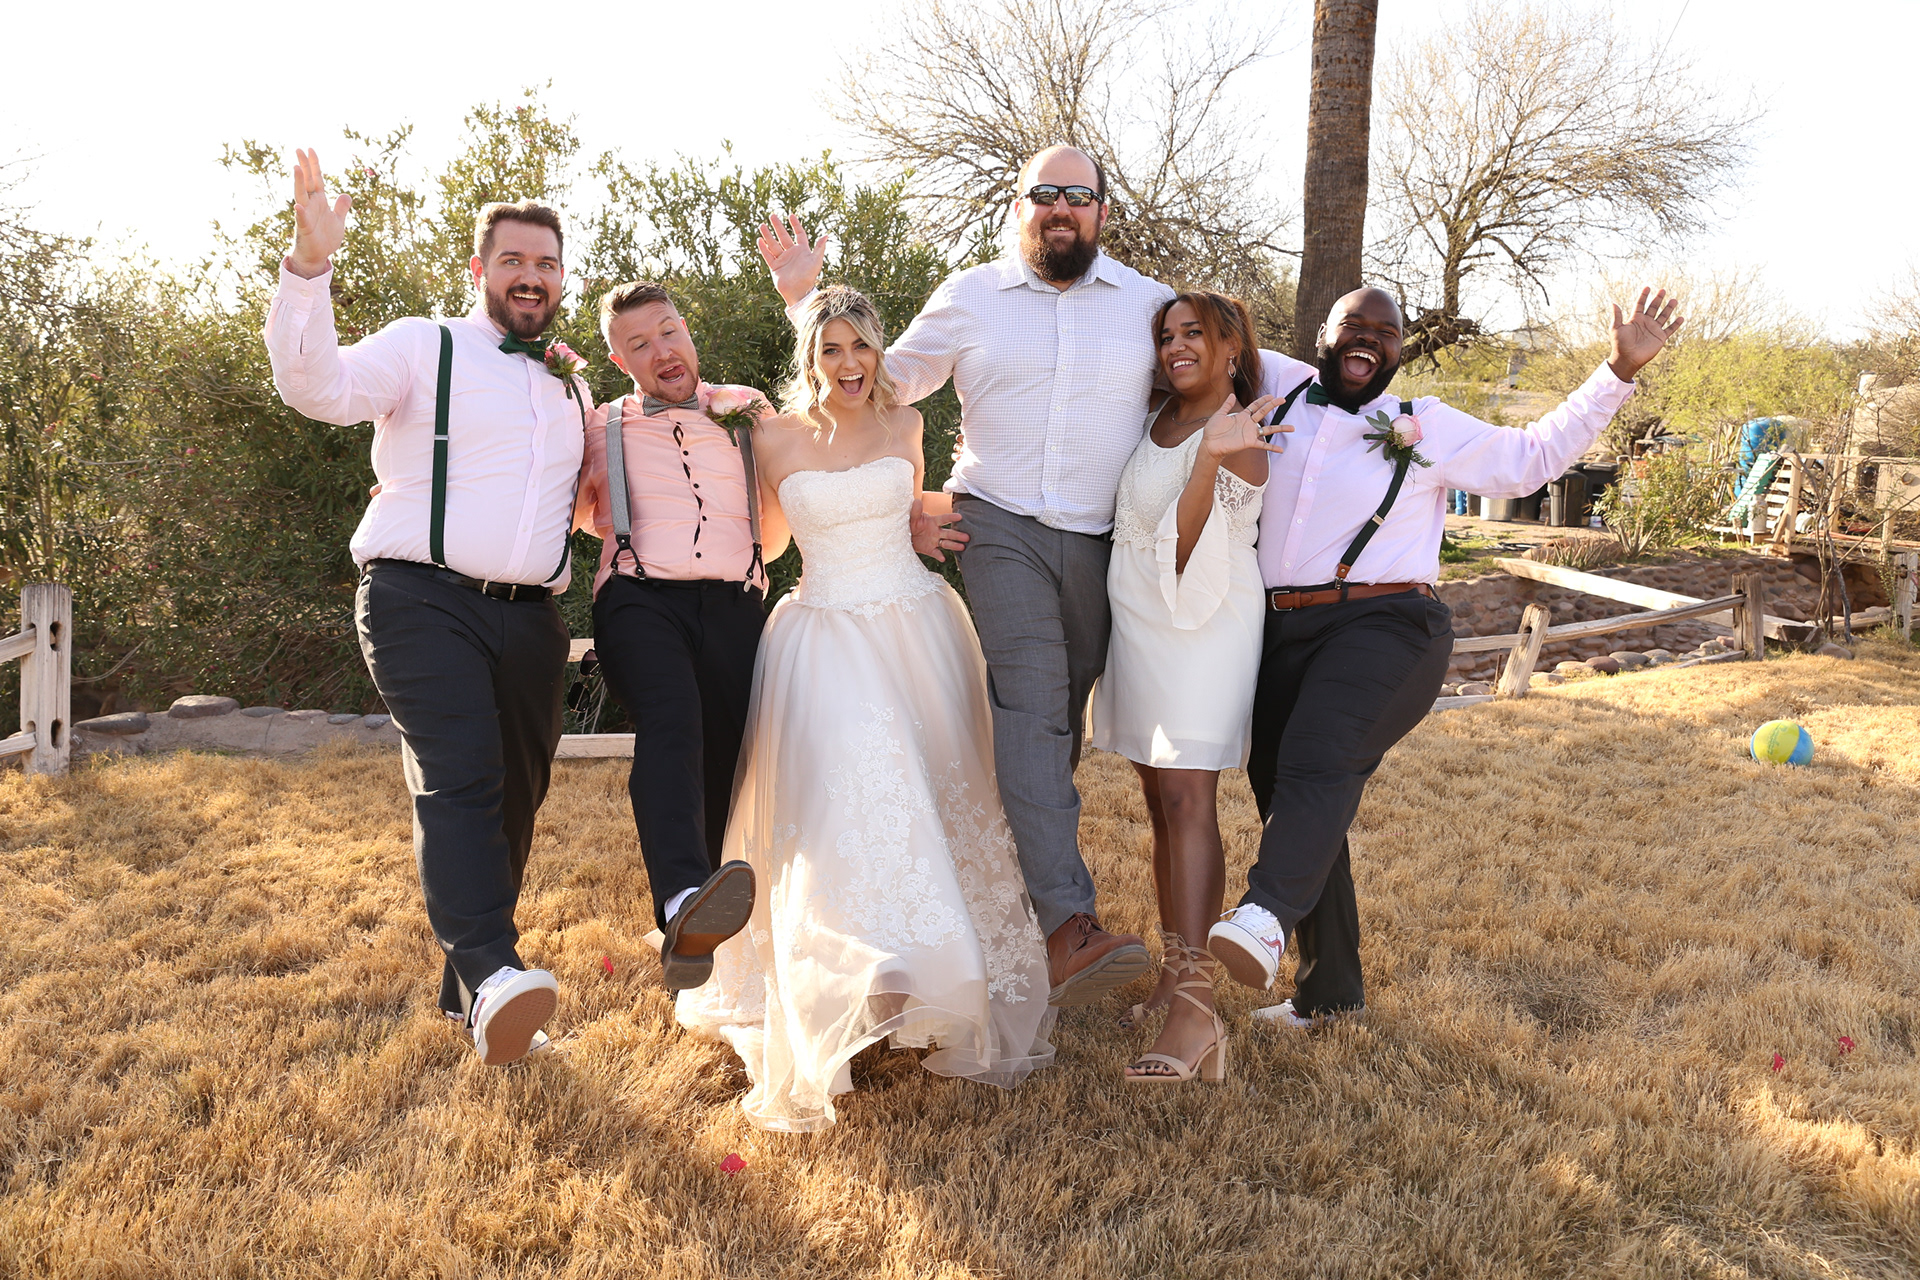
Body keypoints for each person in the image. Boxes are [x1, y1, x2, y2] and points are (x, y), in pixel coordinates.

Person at [756, 146, 1298, 1008]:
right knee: (1034, 707)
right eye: (1043, 193)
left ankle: (1024, 902)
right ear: (1019, 208)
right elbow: (882, 379)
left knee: (1055, 725)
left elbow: (1203, 365)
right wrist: (804, 302)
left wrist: (1345, 407)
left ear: (1102, 212)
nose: (1060, 207)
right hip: (998, 524)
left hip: (1100, 544)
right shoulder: (970, 295)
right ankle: (1067, 923)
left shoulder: (1146, 305)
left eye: (1077, 195)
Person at [1205, 285, 1684, 1024]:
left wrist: (1617, 371)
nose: (1369, 339)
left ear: (1401, 350)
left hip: (1386, 625)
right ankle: (1330, 996)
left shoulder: (1424, 423)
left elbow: (1531, 459)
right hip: (1281, 630)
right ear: (1322, 334)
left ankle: (1264, 916)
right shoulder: (1276, 380)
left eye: (1387, 333)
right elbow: (1203, 338)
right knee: (1287, 794)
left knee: (1316, 761)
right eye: (1353, 326)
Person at [675, 286, 1055, 1131]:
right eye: (832, 349)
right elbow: (770, 540)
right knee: (841, 804)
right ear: (810, 357)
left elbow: (912, 510)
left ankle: (929, 977)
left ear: (880, 351)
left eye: (861, 347)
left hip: (917, 626)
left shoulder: (906, 425)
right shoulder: (771, 437)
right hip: (822, 634)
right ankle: (845, 980)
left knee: (938, 799)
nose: (849, 364)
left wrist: (923, 527)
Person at [263, 150, 588, 1065]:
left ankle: (469, 1000)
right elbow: (316, 387)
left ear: (562, 278)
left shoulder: (570, 383)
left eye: (546, 262)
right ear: (480, 269)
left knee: (516, 795)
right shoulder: (423, 344)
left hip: (533, 619)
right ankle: (492, 969)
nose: (531, 276)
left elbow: (585, 497)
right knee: (463, 776)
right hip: (421, 599)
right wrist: (309, 266)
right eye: (513, 260)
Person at [1088, 292, 1284, 1083]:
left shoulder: (1239, 436)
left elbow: (1187, 543)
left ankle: (1197, 1008)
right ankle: (1175, 973)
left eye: (1193, 333)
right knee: (1158, 799)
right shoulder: (1159, 414)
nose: (1175, 345)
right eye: (1166, 334)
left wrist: (1208, 457)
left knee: (1187, 799)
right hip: (1142, 623)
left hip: (1203, 626)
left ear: (1231, 346)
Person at [573, 281, 791, 992]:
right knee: (672, 722)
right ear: (619, 360)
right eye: (639, 344)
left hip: (735, 599)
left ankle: (699, 933)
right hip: (639, 596)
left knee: (728, 755)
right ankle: (678, 898)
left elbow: (800, 481)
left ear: (688, 331)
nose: (661, 350)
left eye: (668, 331)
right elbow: (548, 498)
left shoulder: (747, 409)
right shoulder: (601, 426)